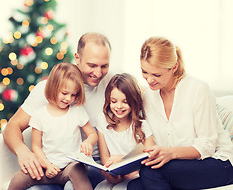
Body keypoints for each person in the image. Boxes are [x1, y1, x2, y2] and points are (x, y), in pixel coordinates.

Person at [3, 32, 112, 190]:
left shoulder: (111, 84)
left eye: (104, 66)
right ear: (77, 58)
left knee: (72, 184)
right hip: (52, 165)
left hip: (89, 164)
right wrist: (24, 152)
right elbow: (11, 127)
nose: (98, 73)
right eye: (92, 65)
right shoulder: (49, 89)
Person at [127, 37, 233, 190]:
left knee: (150, 173)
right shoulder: (148, 98)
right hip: (180, 166)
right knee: (134, 187)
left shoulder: (198, 89)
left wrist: (170, 153)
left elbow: (207, 146)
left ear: (174, 67)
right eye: (144, 72)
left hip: (219, 163)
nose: (149, 80)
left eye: (156, 75)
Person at [8, 62, 98, 190]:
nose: (69, 99)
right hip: (47, 167)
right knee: (18, 179)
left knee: (78, 171)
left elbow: (92, 134)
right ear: (53, 88)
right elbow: (36, 147)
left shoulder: (77, 111)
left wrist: (88, 142)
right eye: (65, 93)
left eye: (73, 95)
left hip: (70, 166)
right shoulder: (39, 115)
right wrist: (47, 165)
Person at [95, 73, 155, 190]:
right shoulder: (102, 120)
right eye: (113, 101)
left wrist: (121, 158)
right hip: (114, 175)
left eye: (125, 102)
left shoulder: (142, 125)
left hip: (136, 176)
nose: (119, 106)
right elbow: (105, 158)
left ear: (133, 101)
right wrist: (110, 173)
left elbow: (150, 158)